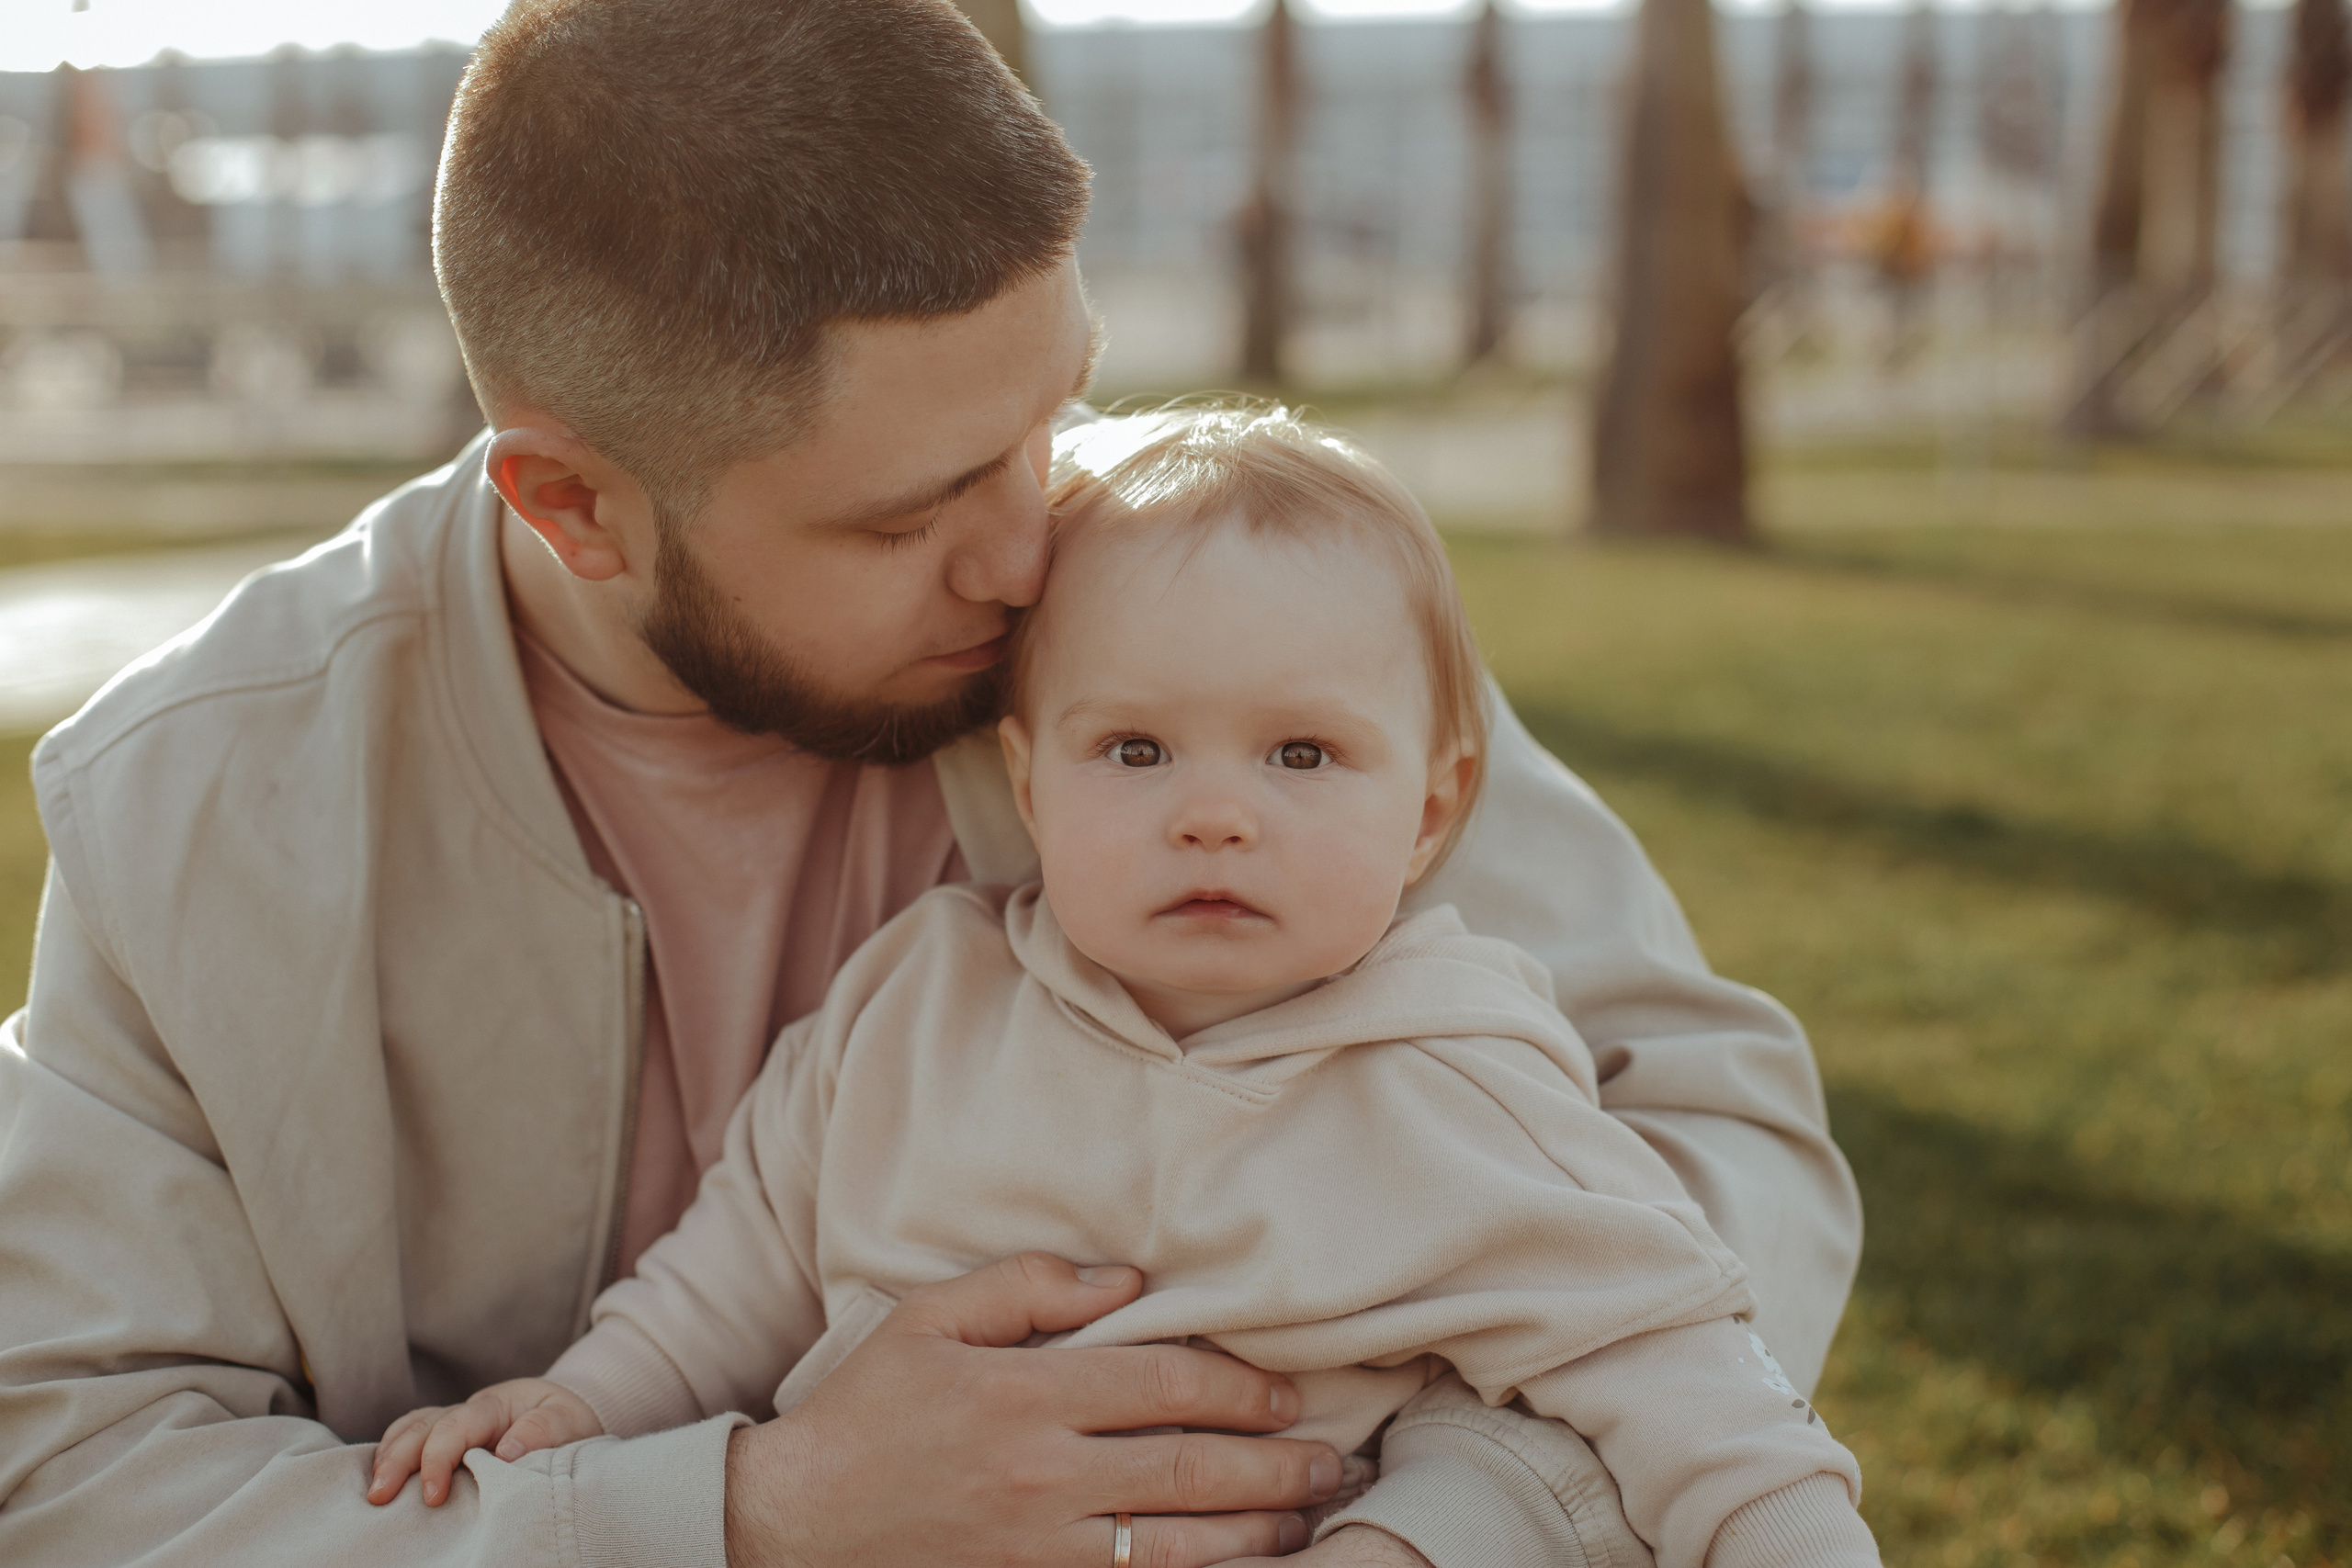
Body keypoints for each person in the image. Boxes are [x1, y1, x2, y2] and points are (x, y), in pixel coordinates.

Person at [0, 2, 1860, 1564]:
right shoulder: (194, 807)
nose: (1032, 552)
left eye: (1049, 416)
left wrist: (1457, 1517)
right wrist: (751, 1511)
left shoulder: (1184, 593)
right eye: (909, 513)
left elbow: (1712, 1139)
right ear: (573, 503)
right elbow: (74, 1473)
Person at [368, 405, 1883, 1568]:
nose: (1213, 814)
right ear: (1029, 783)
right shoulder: (921, 1001)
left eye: (1302, 754)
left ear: (1431, 809)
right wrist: (586, 1404)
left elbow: (1693, 1385)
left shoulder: (1459, 1079)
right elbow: (736, 1264)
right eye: (1136, 750)